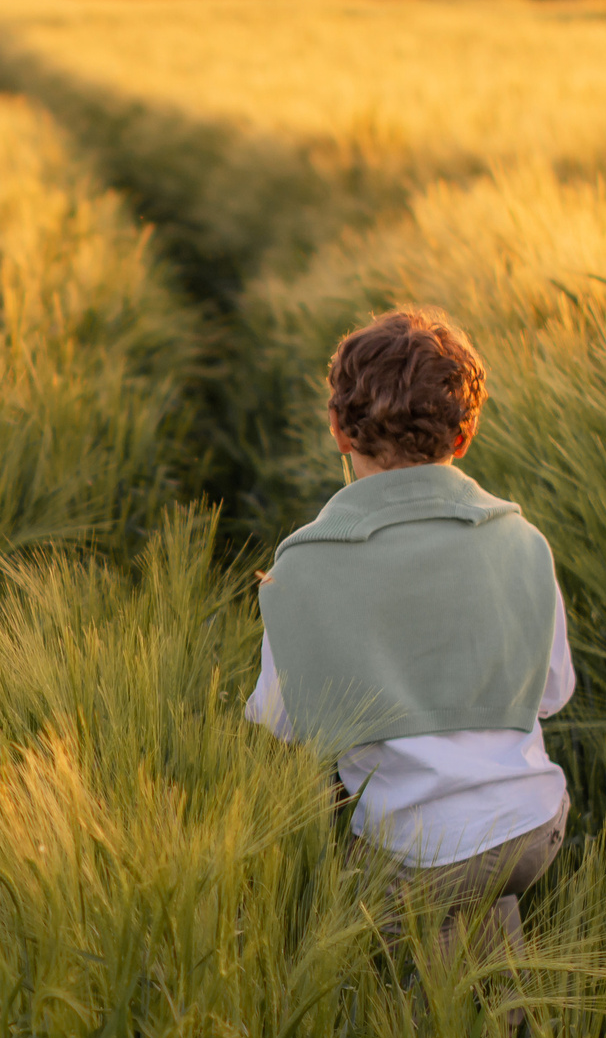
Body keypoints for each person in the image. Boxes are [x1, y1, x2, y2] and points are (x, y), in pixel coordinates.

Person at [246, 306, 573, 977]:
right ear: (465, 433)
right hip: (532, 823)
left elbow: (281, 726)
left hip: (415, 853)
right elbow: (552, 692)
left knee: (382, 954)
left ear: (338, 429)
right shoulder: (523, 541)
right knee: (476, 888)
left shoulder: (302, 567)